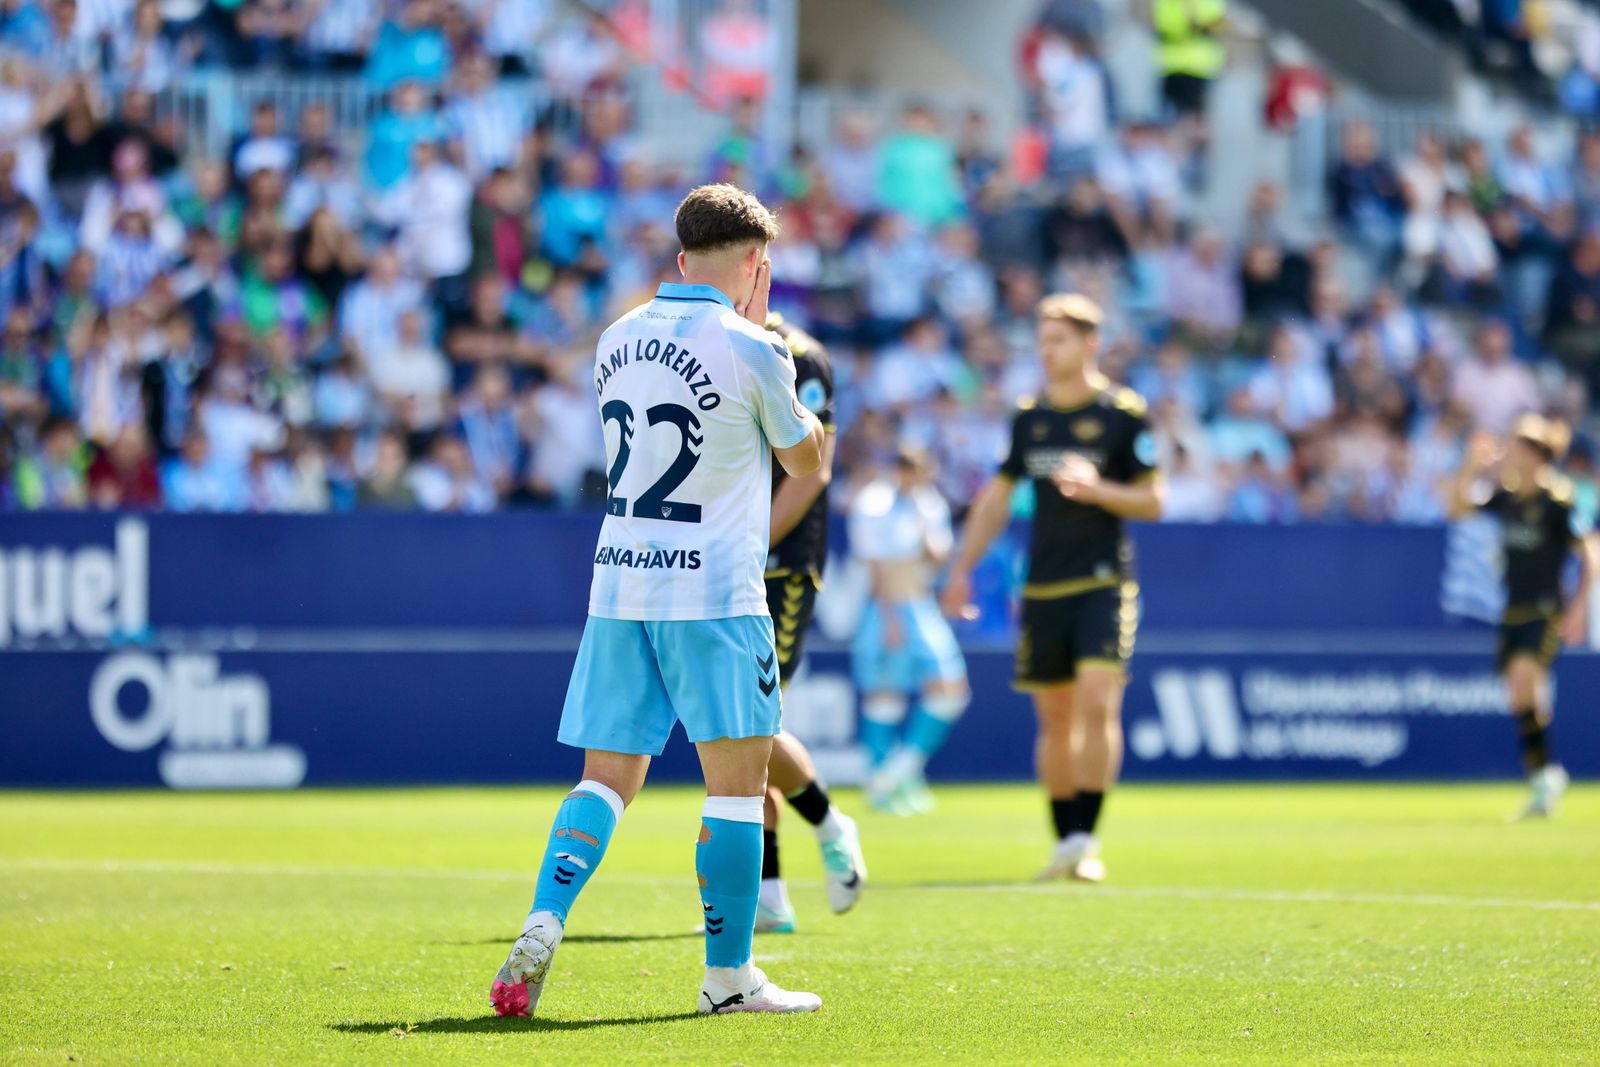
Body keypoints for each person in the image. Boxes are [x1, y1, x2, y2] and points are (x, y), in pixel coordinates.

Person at [490, 184, 826, 1019]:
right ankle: (729, 978)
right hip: (715, 589)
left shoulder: (615, 336)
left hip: (622, 583)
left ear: (681, 260)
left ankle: (546, 913)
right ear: (757, 267)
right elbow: (805, 461)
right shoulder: (755, 346)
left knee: (604, 780)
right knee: (736, 791)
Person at [940, 293, 1163, 883]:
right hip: (1042, 584)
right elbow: (996, 497)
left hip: (1103, 580)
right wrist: (963, 567)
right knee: (1056, 719)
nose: (1046, 351)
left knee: (1097, 701)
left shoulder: (1123, 413)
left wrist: (1099, 490)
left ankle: (1087, 839)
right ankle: (1064, 842)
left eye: (1058, 340)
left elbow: (1155, 500)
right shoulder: (1029, 416)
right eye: (1041, 341)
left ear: (1090, 345)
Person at [753, 311, 867, 934]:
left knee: (753, 722)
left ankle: (827, 822)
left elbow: (813, 468)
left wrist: (752, 541)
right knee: (732, 733)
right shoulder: (720, 342)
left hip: (778, 567)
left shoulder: (801, 355)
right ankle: (768, 893)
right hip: (726, 564)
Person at [1448, 415, 1597, 819]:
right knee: (1521, 698)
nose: (1506, 452)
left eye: (1514, 445)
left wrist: (1580, 608)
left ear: (1534, 454)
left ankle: (1545, 777)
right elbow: (1459, 507)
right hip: (1512, 610)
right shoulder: (1509, 496)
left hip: (1546, 610)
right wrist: (1470, 466)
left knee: (1523, 680)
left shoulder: (1558, 502)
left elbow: (1590, 556)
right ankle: (1544, 776)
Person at [851, 445, 970, 814]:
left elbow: (939, 556)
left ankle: (896, 773)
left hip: (922, 604)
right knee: (885, 697)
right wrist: (889, 618)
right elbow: (875, 566)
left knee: (950, 691)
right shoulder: (873, 502)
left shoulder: (929, 504)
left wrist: (926, 531)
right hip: (886, 608)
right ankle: (884, 784)